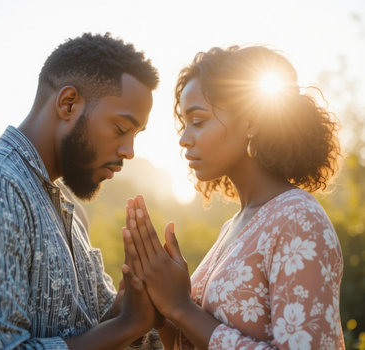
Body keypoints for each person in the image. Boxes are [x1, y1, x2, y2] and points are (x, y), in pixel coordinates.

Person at [0, 33, 163, 349]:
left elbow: (89, 329)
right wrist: (127, 325)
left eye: (136, 135)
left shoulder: (68, 207)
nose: (129, 150)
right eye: (121, 129)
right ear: (68, 103)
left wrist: (131, 303)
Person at [123, 46, 345, 349]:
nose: (184, 138)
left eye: (198, 121)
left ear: (251, 122)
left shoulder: (298, 219)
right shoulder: (234, 224)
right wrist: (161, 308)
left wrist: (182, 307)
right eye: (184, 124)